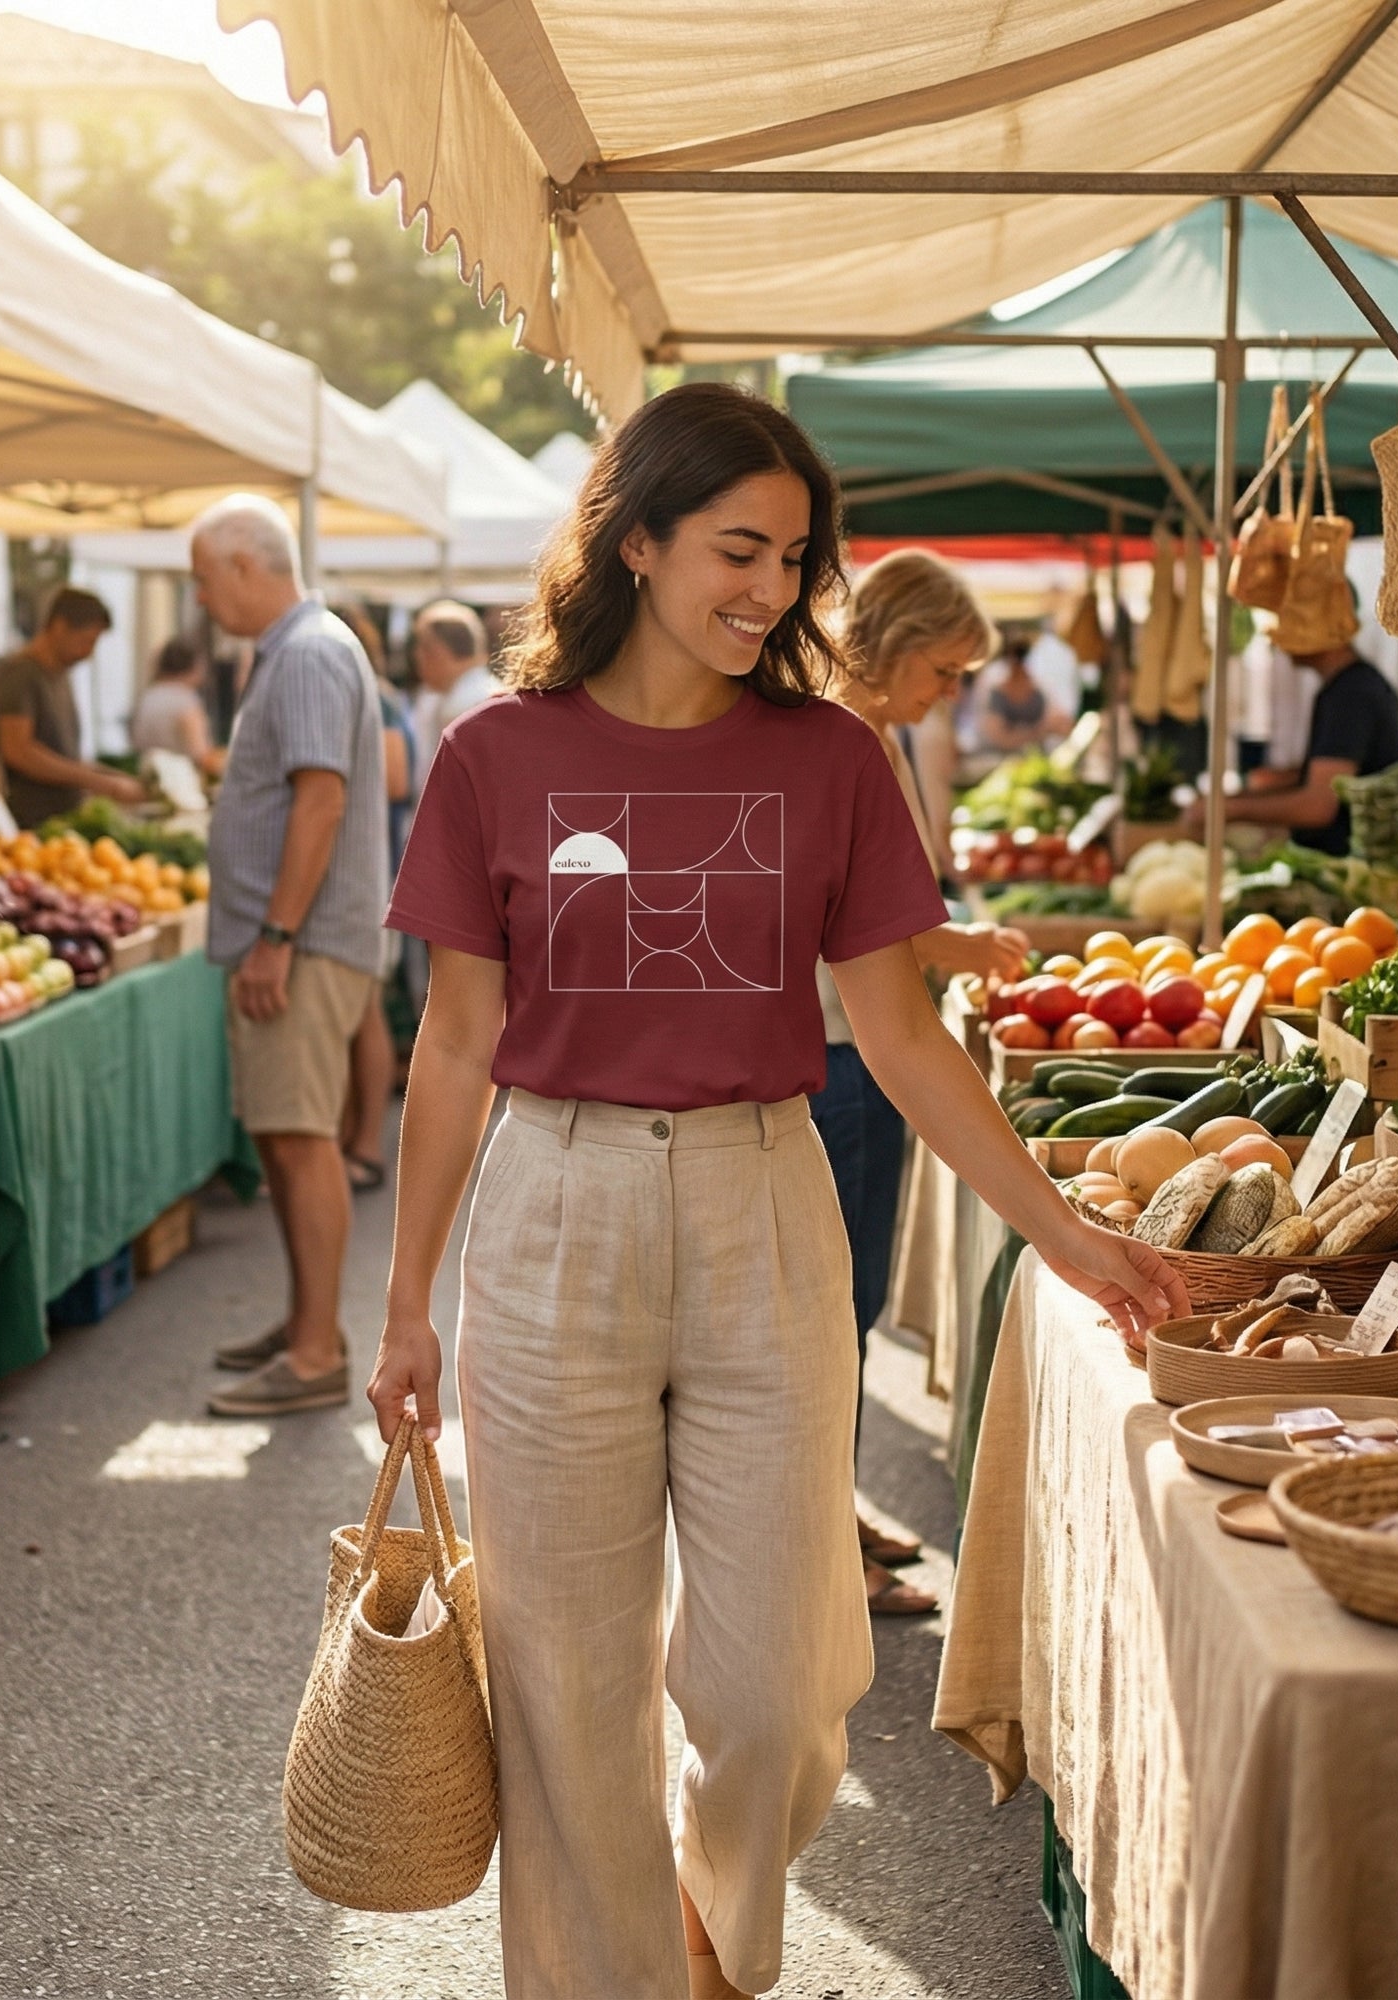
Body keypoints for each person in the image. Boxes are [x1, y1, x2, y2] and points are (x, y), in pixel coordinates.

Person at [375, 383, 1188, 2000]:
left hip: (765, 1202)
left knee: (776, 1696)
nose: (769, 590)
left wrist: (1069, 1239)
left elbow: (898, 1032)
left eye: (795, 559)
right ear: (637, 537)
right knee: (564, 1687)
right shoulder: (495, 755)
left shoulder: (833, 760)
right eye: (737, 549)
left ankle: (710, 1924)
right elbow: (454, 1046)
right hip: (551, 1209)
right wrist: (403, 1309)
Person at [816, 548, 1029, 1619]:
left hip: (851, 1043)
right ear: (894, 644)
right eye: (943, 670)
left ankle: (833, 1510)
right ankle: (821, 1549)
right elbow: (861, 918)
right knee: (832, 1307)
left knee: (840, 1306)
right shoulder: (845, 732)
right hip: (839, 1048)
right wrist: (961, 944)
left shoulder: (869, 729)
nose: (949, 693)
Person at [190, 497, 388, 1417]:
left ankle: (314, 1353)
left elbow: (320, 802)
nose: (200, 597)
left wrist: (274, 937)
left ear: (243, 565)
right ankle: (310, 1325)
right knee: (286, 1138)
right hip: (301, 942)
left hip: (299, 947)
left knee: (303, 1145)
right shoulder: (307, 647)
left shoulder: (305, 651)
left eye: (201, 577)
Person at [334, 601, 415, 1194]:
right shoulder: (371, 695)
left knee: (364, 1012)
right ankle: (350, 1141)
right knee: (356, 1012)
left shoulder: (377, 697)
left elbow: (395, 779)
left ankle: (365, 1146)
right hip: (365, 872)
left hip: (373, 873)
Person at [1199, 638, 1398, 854]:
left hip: (1345, 864)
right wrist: (1279, 781)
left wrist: (1224, 809)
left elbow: (1318, 805)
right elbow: (1339, 775)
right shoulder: (1348, 685)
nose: (1278, 639)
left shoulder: (1352, 694)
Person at [0, 585, 145, 826]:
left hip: (63, 820)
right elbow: (18, 750)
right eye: (86, 641)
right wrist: (97, 782)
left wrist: (108, 776)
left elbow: (62, 755)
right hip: (32, 823)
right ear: (60, 627)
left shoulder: (59, 675)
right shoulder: (19, 674)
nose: (89, 653)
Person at [409, 597, 497, 755]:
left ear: (438, 651)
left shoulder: (466, 704)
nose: (416, 655)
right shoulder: (436, 698)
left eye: (422, 646)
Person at [131, 636, 225, 777]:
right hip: (181, 781)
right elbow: (200, 753)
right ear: (195, 665)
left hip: (149, 777)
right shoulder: (185, 700)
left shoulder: (148, 697)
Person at [977, 631, 1071, 755]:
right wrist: (1036, 733)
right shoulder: (995, 686)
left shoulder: (1040, 687)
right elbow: (996, 735)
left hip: (1036, 755)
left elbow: (1062, 723)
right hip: (1002, 756)